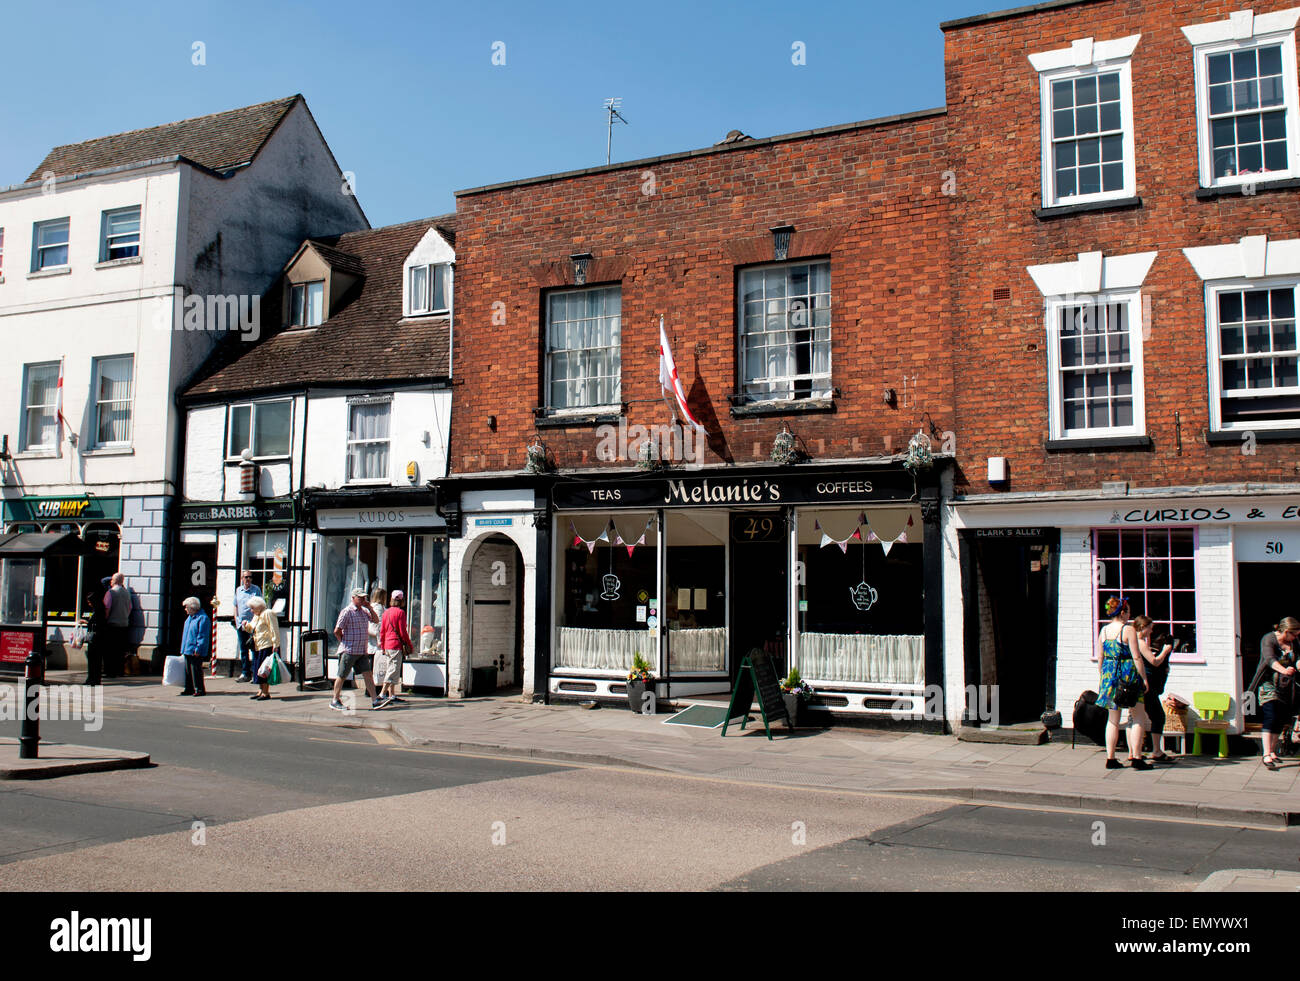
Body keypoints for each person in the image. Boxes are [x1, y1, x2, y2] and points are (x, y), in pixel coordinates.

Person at [1096, 596, 1152, 770]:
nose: (1130, 615)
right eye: (1128, 612)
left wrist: (1103, 676)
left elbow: (1100, 658)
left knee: (1113, 720)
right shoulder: (1127, 630)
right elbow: (1136, 656)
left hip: (1109, 676)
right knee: (1138, 716)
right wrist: (1143, 678)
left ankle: (1110, 758)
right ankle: (1136, 757)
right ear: (1122, 613)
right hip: (1128, 677)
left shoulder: (1104, 631)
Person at [1247, 618, 1300, 769]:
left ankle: (1273, 751)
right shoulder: (1269, 639)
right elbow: (1269, 659)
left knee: (1281, 717)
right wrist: (1284, 670)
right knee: (1271, 714)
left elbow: (1298, 658)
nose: (1296, 638)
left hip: (1286, 685)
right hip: (1268, 682)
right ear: (1286, 632)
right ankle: (1266, 754)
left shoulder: (1294, 643)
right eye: (1294, 635)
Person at [1133, 616, 1175, 764]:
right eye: (1150, 627)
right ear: (1143, 627)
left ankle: (1133, 752)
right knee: (1158, 716)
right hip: (1146, 686)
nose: (1151, 631)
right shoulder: (1140, 643)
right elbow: (1154, 662)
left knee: (1133, 718)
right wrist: (1165, 650)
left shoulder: (1132, 642)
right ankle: (1156, 751)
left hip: (1135, 684)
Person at [332, 588, 381, 711]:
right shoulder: (347, 612)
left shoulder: (364, 611)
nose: (363, 600)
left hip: (361, 651)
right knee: (342, 675)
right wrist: (343, 641)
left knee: (368, 675)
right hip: (349, 650)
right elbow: (337, 630)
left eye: (364, 597)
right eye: (360, 597)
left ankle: (375, 700)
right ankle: (334, 700)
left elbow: (376, 620)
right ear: (353, 598)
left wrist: (370, 607)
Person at [241, 595, 280, 702]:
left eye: (252, 608)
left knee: (264, 670)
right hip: (258, 646)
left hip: (266, 645)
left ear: (258, 606)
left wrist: (275, 644)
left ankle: (266, 692)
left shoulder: (268, 613)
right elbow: (251, 629)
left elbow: (274, 629)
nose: (251, 610)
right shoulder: (257, 616)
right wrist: (246, 625)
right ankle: (260, 691)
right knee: (258, 669)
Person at [377, 590, 412, 704]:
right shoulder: (400, 613)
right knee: (393, 669)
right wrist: (409, 644)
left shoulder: (386, 612)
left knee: (390, 667)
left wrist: (382, 645)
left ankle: (392, 694)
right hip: (396, 645)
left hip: (387, 644)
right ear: (402, 600)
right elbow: (402, 632)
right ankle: (382, 693)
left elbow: (382, 631)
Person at [179, 597, 211, 697]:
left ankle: (199, 689)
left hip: (195, 649)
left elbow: (202, 635)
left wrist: (198, 648)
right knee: (188, 670)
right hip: (187, 648)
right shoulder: (190, 618)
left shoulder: (203, 618)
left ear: (192, 607)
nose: (185, 609)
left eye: (186, 607)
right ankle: (189, 688)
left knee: (196, 670)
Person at [102, 572, 133, 678]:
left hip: (112, 624)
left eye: (112, 580)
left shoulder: (111, 593)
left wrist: (105, 620)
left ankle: (110, 671)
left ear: (115, 581)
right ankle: (120, 670)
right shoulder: (126, 593)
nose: (110, 581)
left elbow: (107, 608)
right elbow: (129, 608)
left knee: (110, 650)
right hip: (124, 624)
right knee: (120, 650)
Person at [233, 571, 262, 682]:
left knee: (254, 649)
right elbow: (235, 605)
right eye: (246, 577)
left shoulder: (256, 590)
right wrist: (236, 619)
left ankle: (255, 673)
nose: (248, 579)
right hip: (241, 624)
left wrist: (256, 622)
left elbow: (260, 606)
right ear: (242, 578)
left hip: (252, 624)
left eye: (250, 577)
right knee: (243, 649)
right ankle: (245, 673)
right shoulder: (238, 590)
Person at [79, 590, 105, 687]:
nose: (89, 604)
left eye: (90, 601)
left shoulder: (99, 611)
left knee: (94, 660)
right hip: (97, 638)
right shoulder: (99, 609)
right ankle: (93, 679)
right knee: (95, 660)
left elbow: (97, 624)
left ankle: (93, 679)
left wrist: (86, 622)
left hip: (96, 639)